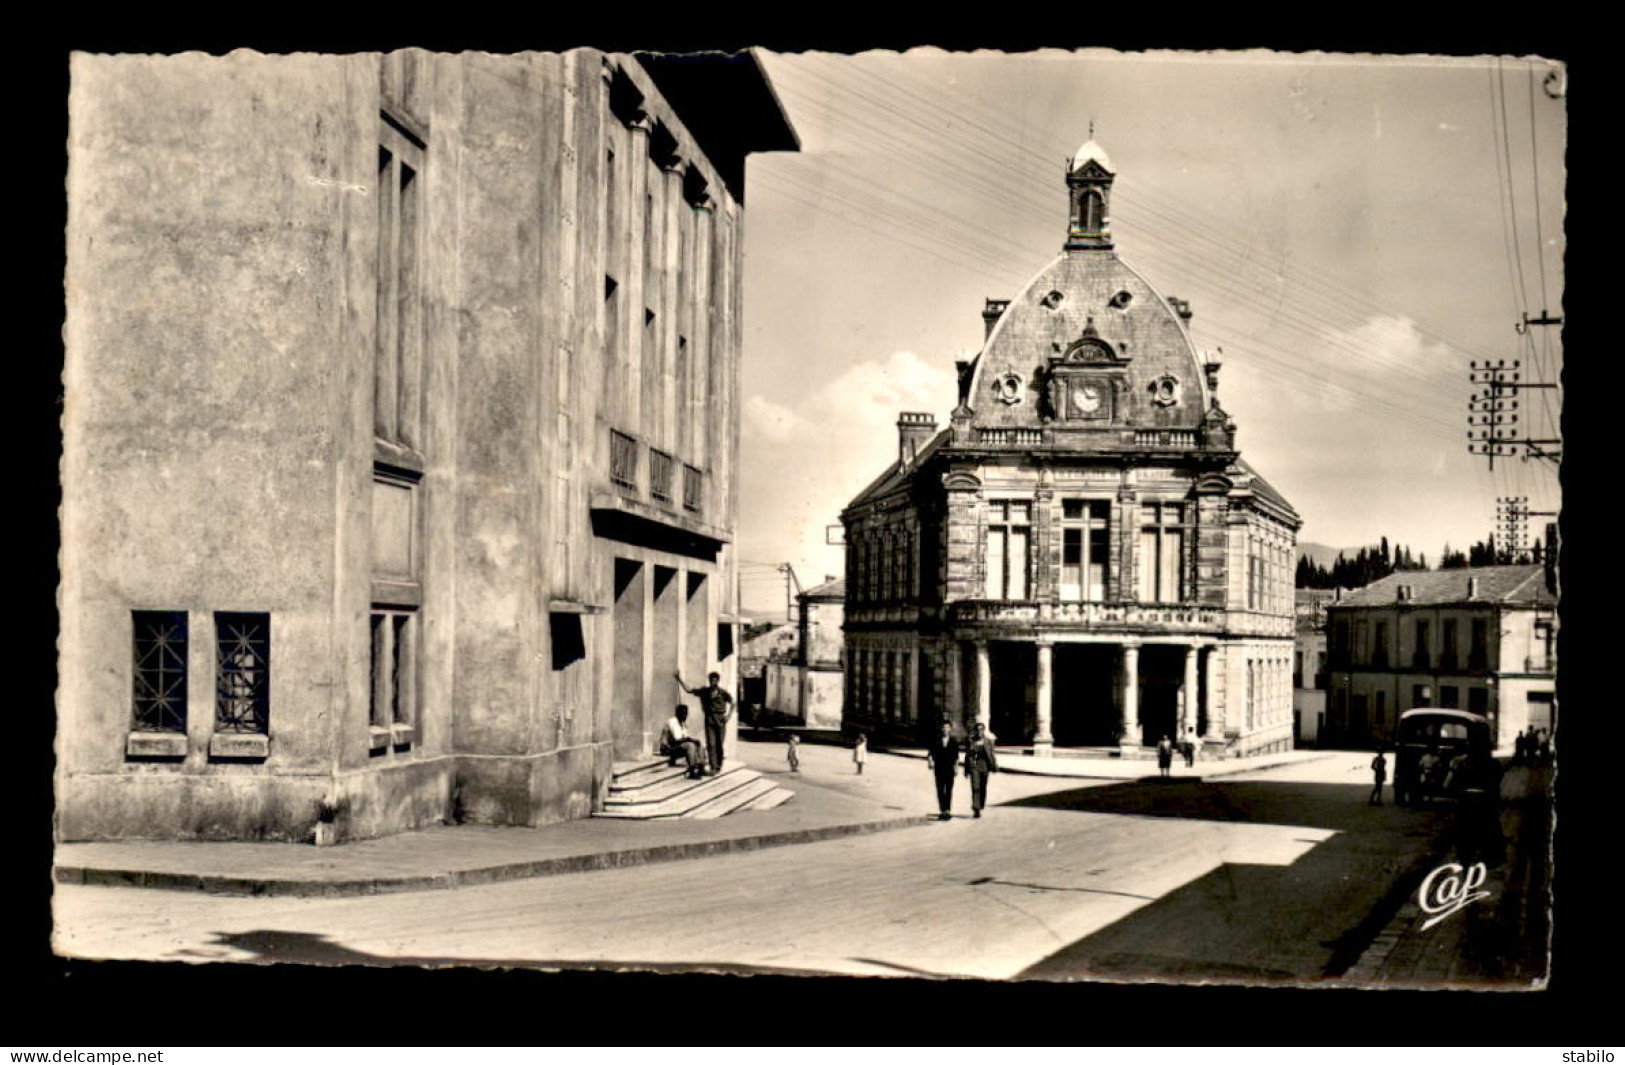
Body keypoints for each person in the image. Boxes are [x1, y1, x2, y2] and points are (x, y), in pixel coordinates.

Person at [677, 671, 734, 776]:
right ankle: (713, 768)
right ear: (709, 680)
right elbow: (689, 690)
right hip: (709, 720)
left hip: (720, 720)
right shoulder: (705, 691)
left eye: (715, 681)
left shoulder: (723, 693)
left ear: (718, 681)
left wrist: (729, 716)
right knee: (711, 744)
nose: (713, 682)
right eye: (712, 680)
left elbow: (733, 702)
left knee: (719, 744)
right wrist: (679, 679)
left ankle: (718, 766)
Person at [658, 704, 705, 780]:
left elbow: (686, 737)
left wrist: (695, 741)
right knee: (690, 745)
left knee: (699, 744)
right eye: (683, 714)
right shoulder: (672, 722)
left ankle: (701, 767)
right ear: (677, 714)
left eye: (686, 714)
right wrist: (691, 741)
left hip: (675, 747)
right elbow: (678, 739)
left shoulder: (682, 723)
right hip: (667, 749)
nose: (685, 716)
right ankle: (692, 771)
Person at [963, 721, 999, 819]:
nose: (979, 732)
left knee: (983, 787)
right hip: (974, 766)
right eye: (977, 730)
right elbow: (967, 756)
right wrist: (966, 770)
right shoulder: (971, 741)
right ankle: (976, 808)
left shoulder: (988, 741)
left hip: (985, 766)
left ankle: (980, 804)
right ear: (975, 731)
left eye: (981, 730)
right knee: (975, 787)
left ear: (984, 731)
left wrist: (994, 766)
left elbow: (992, 754)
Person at [927, 718, 960, 821]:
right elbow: (930, 753)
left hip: (950, 769)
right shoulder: (936, 740)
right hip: (939, 769)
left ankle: (948, 811)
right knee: (940, 790)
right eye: (943, 727)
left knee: (949, 790)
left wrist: (956, 767)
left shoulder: (953, 742)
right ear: (941, 729)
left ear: (950, 729)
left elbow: (956, 756)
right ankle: (942, 810)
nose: (945, 729)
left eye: (947, 727)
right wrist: (930, 761)